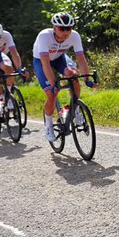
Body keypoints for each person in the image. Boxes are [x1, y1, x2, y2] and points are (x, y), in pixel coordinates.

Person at [33, 12, 95, 143]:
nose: (66, 32)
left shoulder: (75, 36)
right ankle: (48, 125)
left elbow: (81, 58)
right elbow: (45, 63)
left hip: (59, 58)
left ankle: (75, 110)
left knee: (73, 75)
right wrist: (53, 84)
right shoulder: (44, 36)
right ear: (54, 28)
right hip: (42, 61)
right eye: (62, 28)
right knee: (52, 93)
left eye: (69, 28)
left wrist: (87, 79)